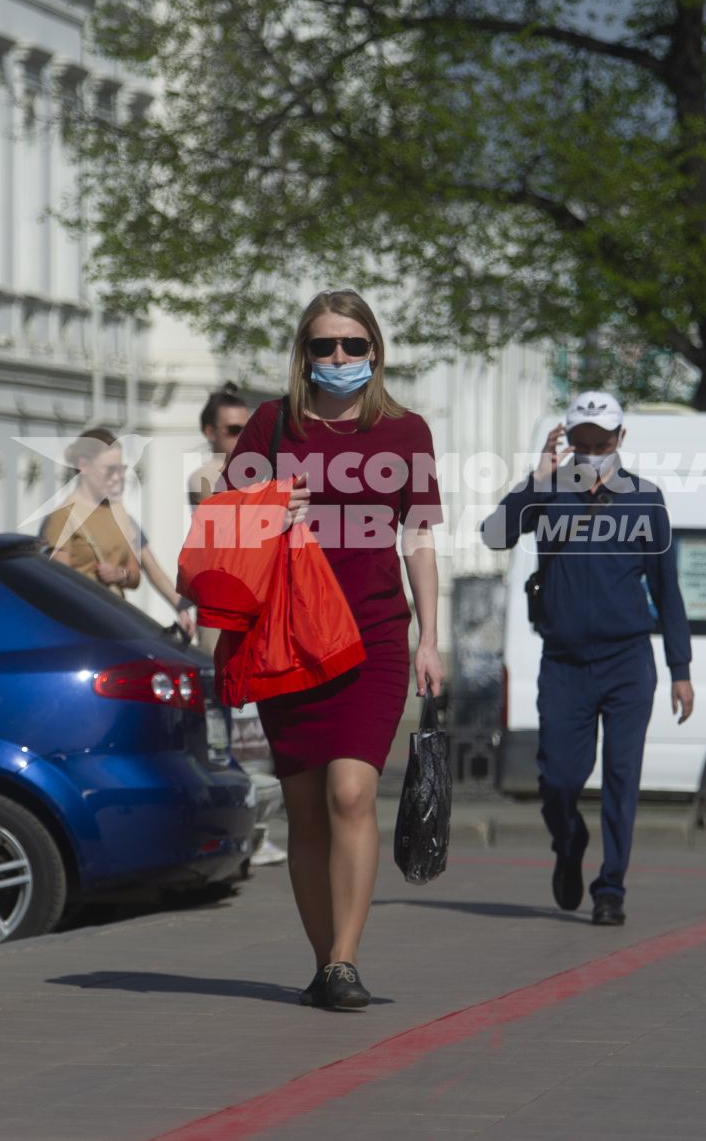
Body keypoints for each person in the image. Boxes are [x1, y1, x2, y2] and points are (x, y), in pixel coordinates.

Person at [217, 290, 443, 1010]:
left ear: (374, 351)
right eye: (323, 346)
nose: (338, 358)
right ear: (303, 354)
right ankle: (324, 962)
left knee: (351, 792)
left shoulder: (406, 432)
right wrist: (266, 509)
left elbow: (419, 536)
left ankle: (346, 959)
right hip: (289, 636)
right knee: (306, 808)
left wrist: (430, 635)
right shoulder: (271, 424)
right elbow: (221, 527)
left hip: (374, 632)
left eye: (352, 344)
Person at [482, 391, 694, 927]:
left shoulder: (646, 499)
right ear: (566, 441)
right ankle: (569, 842)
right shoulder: (549, 493)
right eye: (582, 444)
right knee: (557, 779)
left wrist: (680, 671)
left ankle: (611, 889)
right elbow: (495, 535)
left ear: (621, 440)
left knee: (622, 779)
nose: (593, 453)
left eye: (602, 444)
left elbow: (667, 592)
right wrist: (536, 481)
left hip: (628, 664)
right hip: (565, 664)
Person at [43, 428, 195, 638]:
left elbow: (151, 570)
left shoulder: (117, 512)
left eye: (121, 469)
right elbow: (60, 584)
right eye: (109, 469)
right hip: (83, 628)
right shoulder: (62, 517)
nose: (118, 477)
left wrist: (181, 608)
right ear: (83, 466)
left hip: (115, 623)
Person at [188, 384, 249, 505]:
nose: (243, 436)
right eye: (234, 429)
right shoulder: (203, 479)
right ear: (210, 432)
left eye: (247, 429)